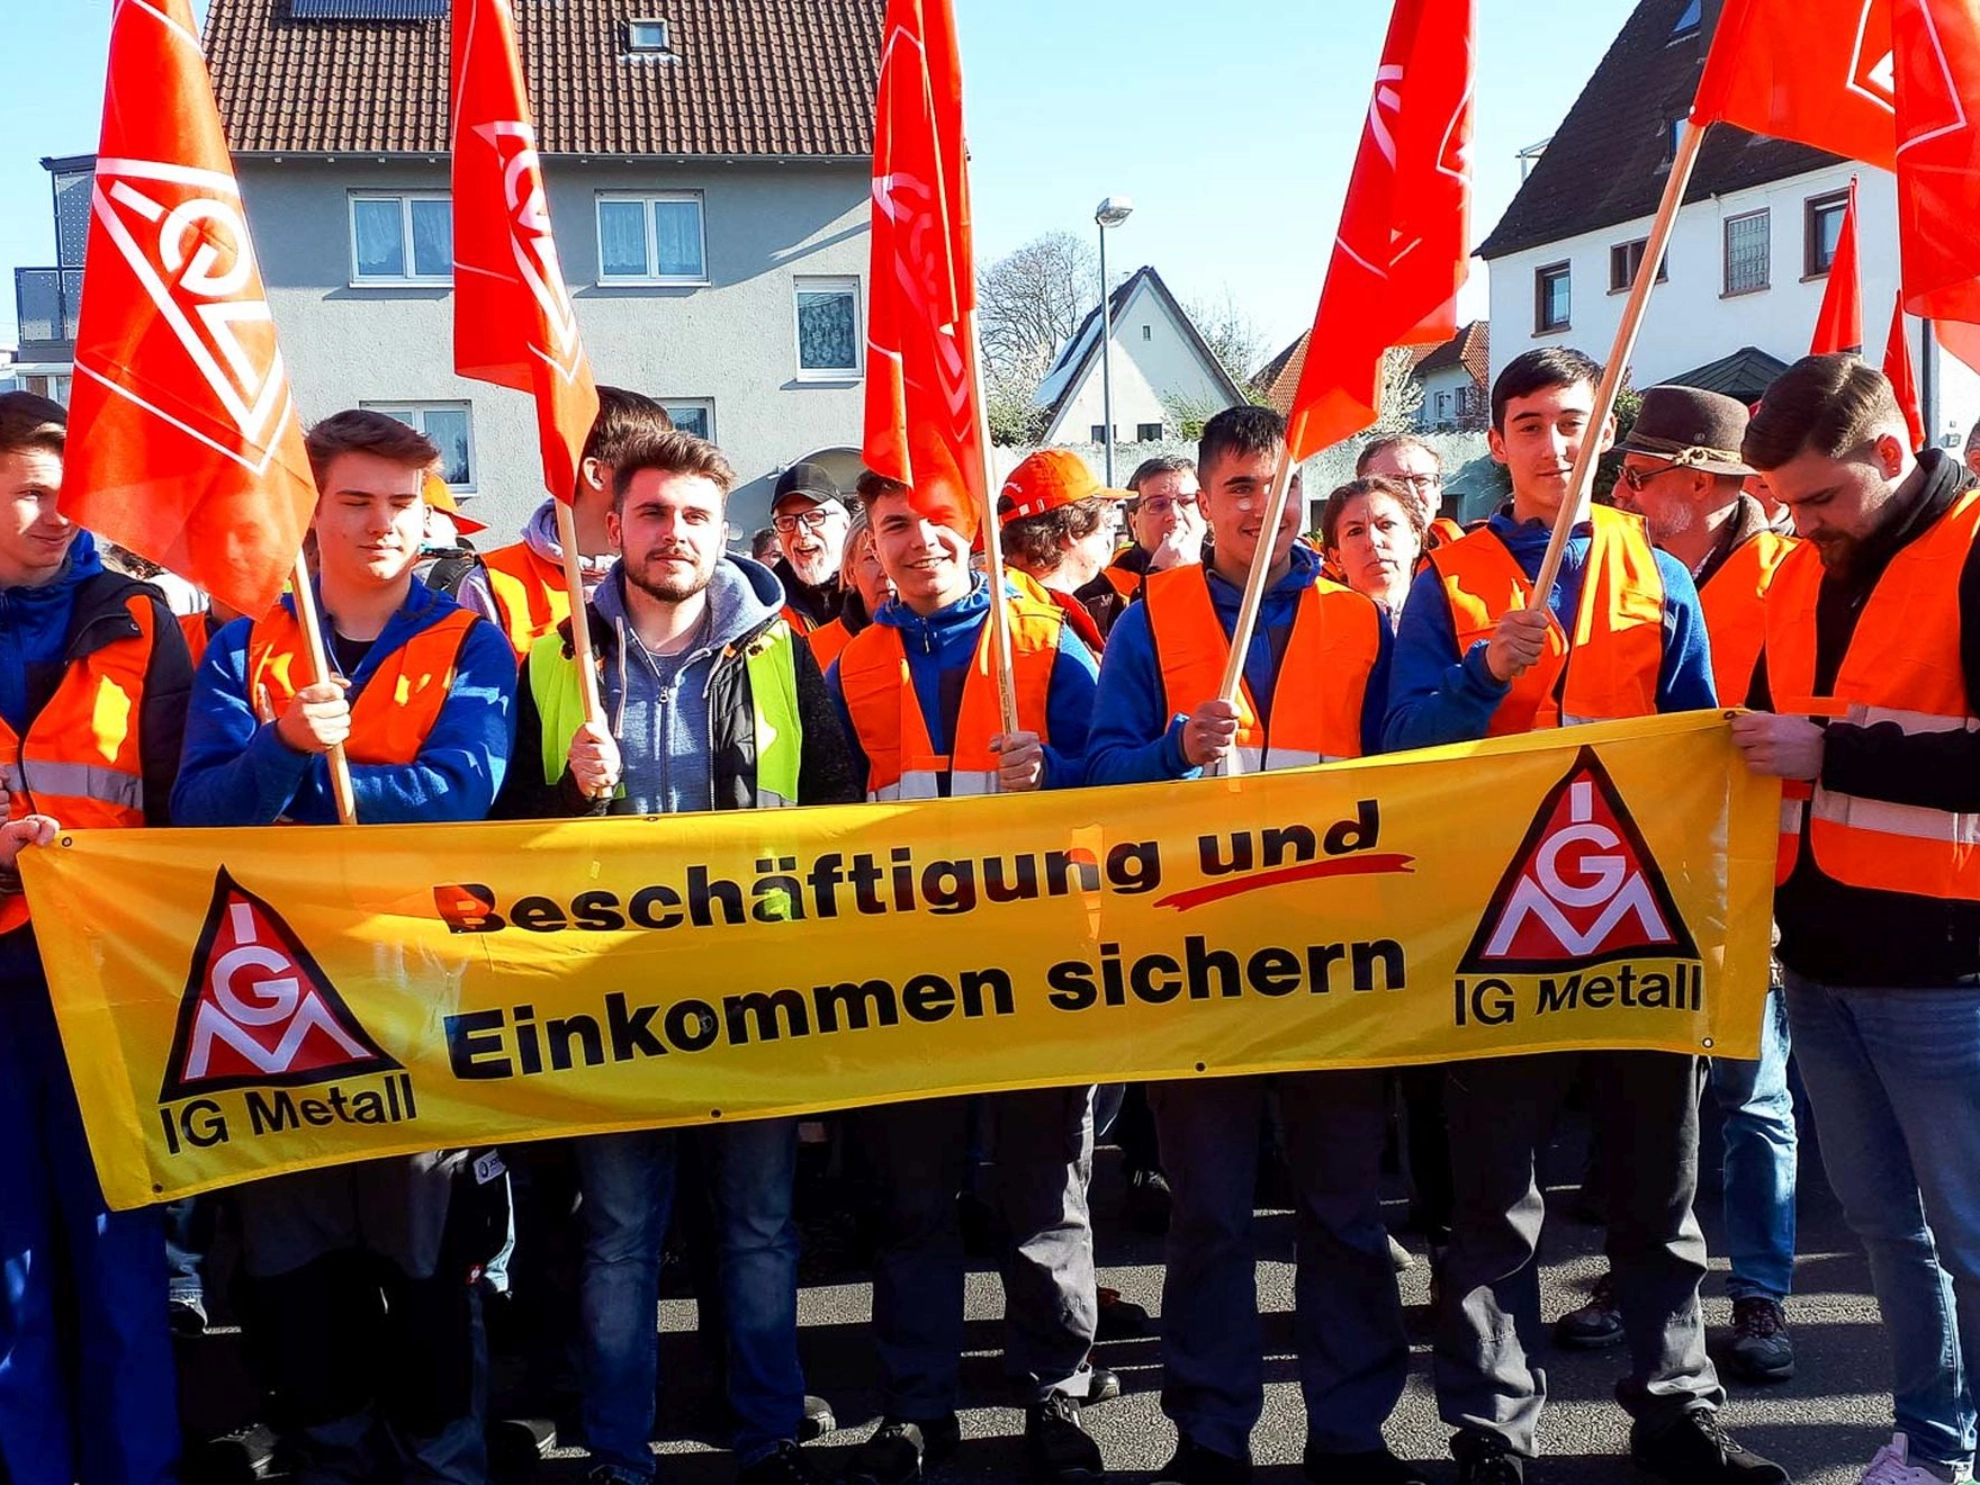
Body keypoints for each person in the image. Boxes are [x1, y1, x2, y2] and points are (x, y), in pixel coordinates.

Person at [1384, 349, 1783, 1485]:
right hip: (1489, 935)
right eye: (1527, 425)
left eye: (1571, 423)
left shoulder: (1659, 573)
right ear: (1496, 443)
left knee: (1658, 1194)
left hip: (1634, 932)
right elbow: (1399, 746)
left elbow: (1697, 749)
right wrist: (1477, 673)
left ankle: (1676, 1405)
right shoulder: (1445, 579)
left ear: (1599, 439)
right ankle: (1492, 1427)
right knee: (1492, 1203)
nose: (1552, 445)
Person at [496, 426, 857, 1485]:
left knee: (756, 1232)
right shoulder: (559, 659)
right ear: (615, 524)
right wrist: (567, 785)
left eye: (697, 515)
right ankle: (619, 1454)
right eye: (653, 514)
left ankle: (768, 1436)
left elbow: (841, 814)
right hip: (604, 1001)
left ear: (723, 528)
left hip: (755, 996)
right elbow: (503, 837)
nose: (675, 534)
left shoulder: (782, 651)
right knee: (615, 1240)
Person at [173, 408, 518, 1485]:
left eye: (402, 504)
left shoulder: (469, 638)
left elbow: (460, 795)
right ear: (308, 509)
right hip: (274, 1004)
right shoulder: (244, 645)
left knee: (428, 1261)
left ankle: (441, 1454)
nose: (381, 524)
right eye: (355, 500)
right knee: (298, 1262)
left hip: (423, 995)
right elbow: (197, 814)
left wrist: (299, 794)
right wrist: (281, 742)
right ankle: (327, 1449)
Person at [1086, 407, 1401, 1485]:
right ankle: (1210, 1436)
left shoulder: (1362, 616)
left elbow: (1411, 765)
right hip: (1198, 966)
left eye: (1279, 484)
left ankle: (1351, 1436)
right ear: (1204, 502)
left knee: (1344, 1216)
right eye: (1238, 488)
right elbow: (1095, 772)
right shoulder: (1152, 617)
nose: (1262, 506)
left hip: (1333, 965)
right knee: (1211, 1219)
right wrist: (1172, 748)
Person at [825, 474, 1106, 1485]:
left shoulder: (1045, 640)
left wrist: (1061, 775)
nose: (920, 542)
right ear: (873, 546)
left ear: (975, 529)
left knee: (1042, 1199)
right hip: (908, 978)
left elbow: (1125, 777)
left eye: (939, 521)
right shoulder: (851, 663)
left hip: (1040, 968)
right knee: (913, 1204)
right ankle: (917, 1409)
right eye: (896, 526)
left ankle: (1054, 1391)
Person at [1733, 353, 1980, 1485]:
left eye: (1819, 499)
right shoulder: (1802, 566)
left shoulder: (1973, 552)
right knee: (1890, 1233)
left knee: (1970, 1241)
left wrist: (1832, 752)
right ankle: (1935, 1442)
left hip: (1948, 970)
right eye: (1782, 505)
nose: (1799, 524)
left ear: (1890, 452)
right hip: (1819, 965)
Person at [0, 390, 190, 1485]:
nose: (54, 513)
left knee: (124, 1263)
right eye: (29, 489)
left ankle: (140, 1471)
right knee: (9, 1274)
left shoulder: (148, 618)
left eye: (68, 492)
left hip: (111, 992)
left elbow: (185, 804)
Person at [1604, 385, 1799, 1383]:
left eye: (1641, 475)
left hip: (1742, 876)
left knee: (1752, 1094)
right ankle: (1635, 1276)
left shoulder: (1787, 575)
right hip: (1631, 872)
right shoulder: (1623, 571)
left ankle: (1761, 1294)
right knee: (1650, 1094)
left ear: (1702, 485)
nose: (1623, 491)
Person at [457, 386, 669, 659]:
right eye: (653, 465)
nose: (670, 479)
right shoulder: (491, 584)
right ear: (598, 474)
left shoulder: (678, 569)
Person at [998, 449, 1134, 649]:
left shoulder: (1003, 596)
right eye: (1107, 521)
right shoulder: (1033, 624)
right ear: (1072, 532)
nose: (1110, 533)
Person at [803, 494, 892, 673]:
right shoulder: (813, 650)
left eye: (892, 553)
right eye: (871, 558)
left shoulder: (943, 635)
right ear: (851, 572)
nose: (886, 571)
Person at [1320, 475, 1429, 622]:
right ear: (1337, 557)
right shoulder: (1317, 629)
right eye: (1355, 531)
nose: (1373, 541)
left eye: (1386, 525)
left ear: (1415, 541)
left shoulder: (1450, 624)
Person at [1103, 456, 1205, 600]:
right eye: (1158, 505)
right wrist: (1160, 575)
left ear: (1206, 508)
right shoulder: (1105, 590)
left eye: (1187, 502)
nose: (1175, 515)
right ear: (1134, 523)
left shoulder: (1231, 570)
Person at [768, 462, 849, 634]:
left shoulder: (879, 588)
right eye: (786, 521)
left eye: (814, 517)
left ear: (845, 524)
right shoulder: (766, 603)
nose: (801, 531)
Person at [1356, 433, 1464, 548]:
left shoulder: (1473, 557)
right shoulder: (1343, 562)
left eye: (1422, 480)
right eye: (1394, 482)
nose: (1412, 494)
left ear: (1438, 495)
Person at [417, 474, 487, 597]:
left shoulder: (383, 578)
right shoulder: (465, 575)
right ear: (426, 518)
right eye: (454, 523)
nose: (456, 531)